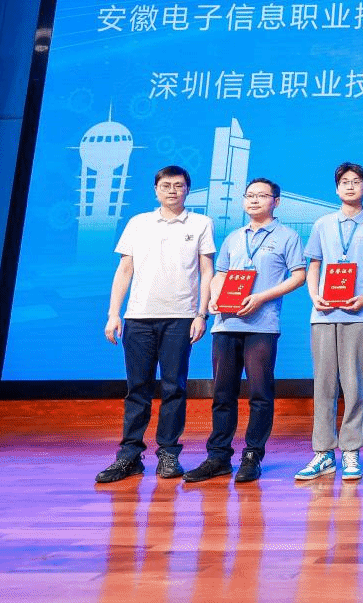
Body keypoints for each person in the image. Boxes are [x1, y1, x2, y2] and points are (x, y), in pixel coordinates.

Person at [96, 165, 215, 484]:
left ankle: (168, 454)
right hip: (138, 317)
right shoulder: (139, 223)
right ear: (156, 190)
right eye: (166, 185)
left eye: (178, 185)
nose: (172, 190)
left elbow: (207, 271)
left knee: (174, 387)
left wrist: (201, 314)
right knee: (137, 389)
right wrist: (113, 313)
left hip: (181, 317)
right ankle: (129, 456)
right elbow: (124, 270)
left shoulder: (201, 223)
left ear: (187, 190)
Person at [184, 178, 306, 484]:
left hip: (262, 325)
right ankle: (218, 457)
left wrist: (261, 297)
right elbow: (220, 274)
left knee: (260, 393)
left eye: (261, 196)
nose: (253, 200)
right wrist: (214, 298)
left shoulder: (287, 236)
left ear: (276, 201)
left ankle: (252, 455)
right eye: (249, 195)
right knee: (222, 393)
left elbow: (299, 276)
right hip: (225, 324)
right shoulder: (234, 237)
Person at [295, 162, 363, 482]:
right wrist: (314, 295)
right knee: (323, 383)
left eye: (356, 181)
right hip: (324, 313)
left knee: (355, 383)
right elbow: (314, 264)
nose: (350, 186)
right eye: (344, 182)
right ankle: (323, 453)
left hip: (360, 313)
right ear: (336, 188)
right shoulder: (323, 223)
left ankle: (351, 449)